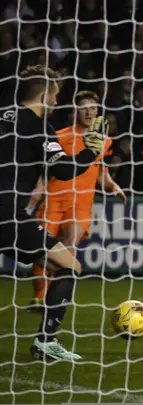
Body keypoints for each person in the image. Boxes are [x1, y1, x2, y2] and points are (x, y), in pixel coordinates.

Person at [0, 65, 106, 361]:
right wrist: (89, 152)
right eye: (56, 95)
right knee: (69, 266)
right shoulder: (37, 125)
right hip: (6, 214)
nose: (57, 102)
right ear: (44, 94)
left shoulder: (3, 114)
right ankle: (46, 340)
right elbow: (61, 170)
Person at [27, 90, 125, 311]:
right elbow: (46, 166)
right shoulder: (59, 136)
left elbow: (100, 170)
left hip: (81, 203)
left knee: (70, 245)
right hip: (53, 199)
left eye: (93, 107)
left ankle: (54, 300)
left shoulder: (103, 141)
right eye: (85, 107)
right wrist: (39, 187)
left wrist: (113, 186)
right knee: (43, 249)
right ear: (74, 112)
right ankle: (38, 297)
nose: (90, 111)